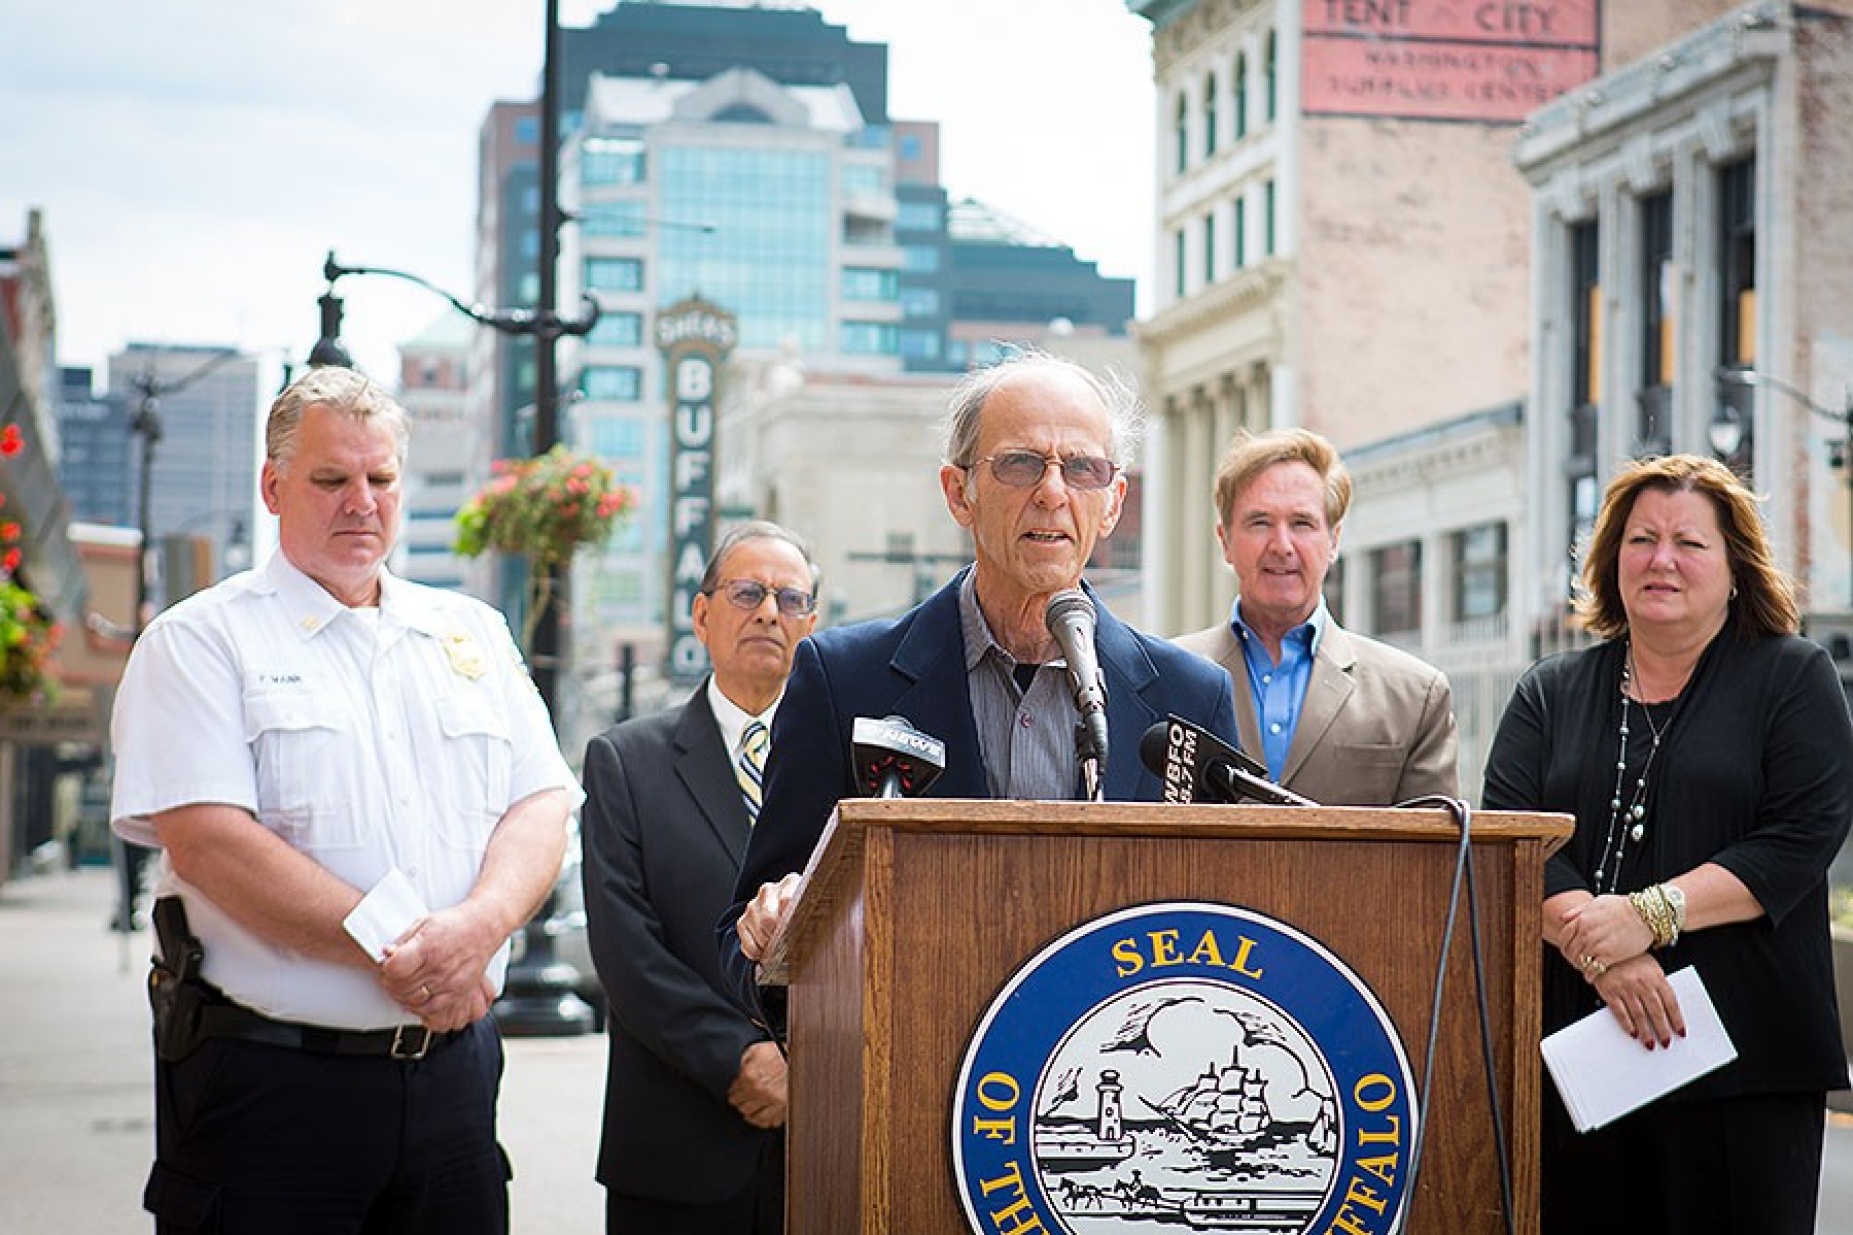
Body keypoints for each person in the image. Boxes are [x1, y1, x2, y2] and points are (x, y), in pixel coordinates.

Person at [109, 366, 580, 1235]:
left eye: (381, 478)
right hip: (271, 1091)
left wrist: (476, 929)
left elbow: (542, 801)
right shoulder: (199, 641)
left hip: (454, 1081)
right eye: (331, 479)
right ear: (274, 485)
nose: (360, 501)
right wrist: (409, 953)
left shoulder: (468, 631)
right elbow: (209, 841)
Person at [721, 351, 1239, 1008]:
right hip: (907, 1080)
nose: (1052, 491)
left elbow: (1223, 930)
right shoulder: (841, 681)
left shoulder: (1188, 698)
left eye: (1081, 468)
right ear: (957, 490)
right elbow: (748, 938)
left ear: (1112, 504)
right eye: (1021, 463)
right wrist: (772, 930)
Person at [1482, 454, 1853, 1234]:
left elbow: (1800, 835)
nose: (1661, 559)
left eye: (1689, 542)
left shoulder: (1792, 678)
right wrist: (1606, 949)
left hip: (1744, 1065)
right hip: (1579, 1055)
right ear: (1611, 557)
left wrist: (1649, 914)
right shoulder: (1548, 690)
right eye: (1641, 538)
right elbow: (1510, 836)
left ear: (1733, 567)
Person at [581, 522, 819, 1234]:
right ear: (702, 613)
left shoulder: (847, 763)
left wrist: (803, 1068)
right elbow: (628, 953)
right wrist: (739, 1058)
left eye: (789, 598)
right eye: (747, 591)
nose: (768, 612)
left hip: (822, 1142)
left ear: (811, 623)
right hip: (672, 1147)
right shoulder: (623, 761)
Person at [1175, 427, 1458, 804]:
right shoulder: (1166, 679)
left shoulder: (1415, 697)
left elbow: (1436, 857)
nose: (1281, 546)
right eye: (1260, 523)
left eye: (1302, 524)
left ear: (1334, 540)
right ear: (1225, 540)